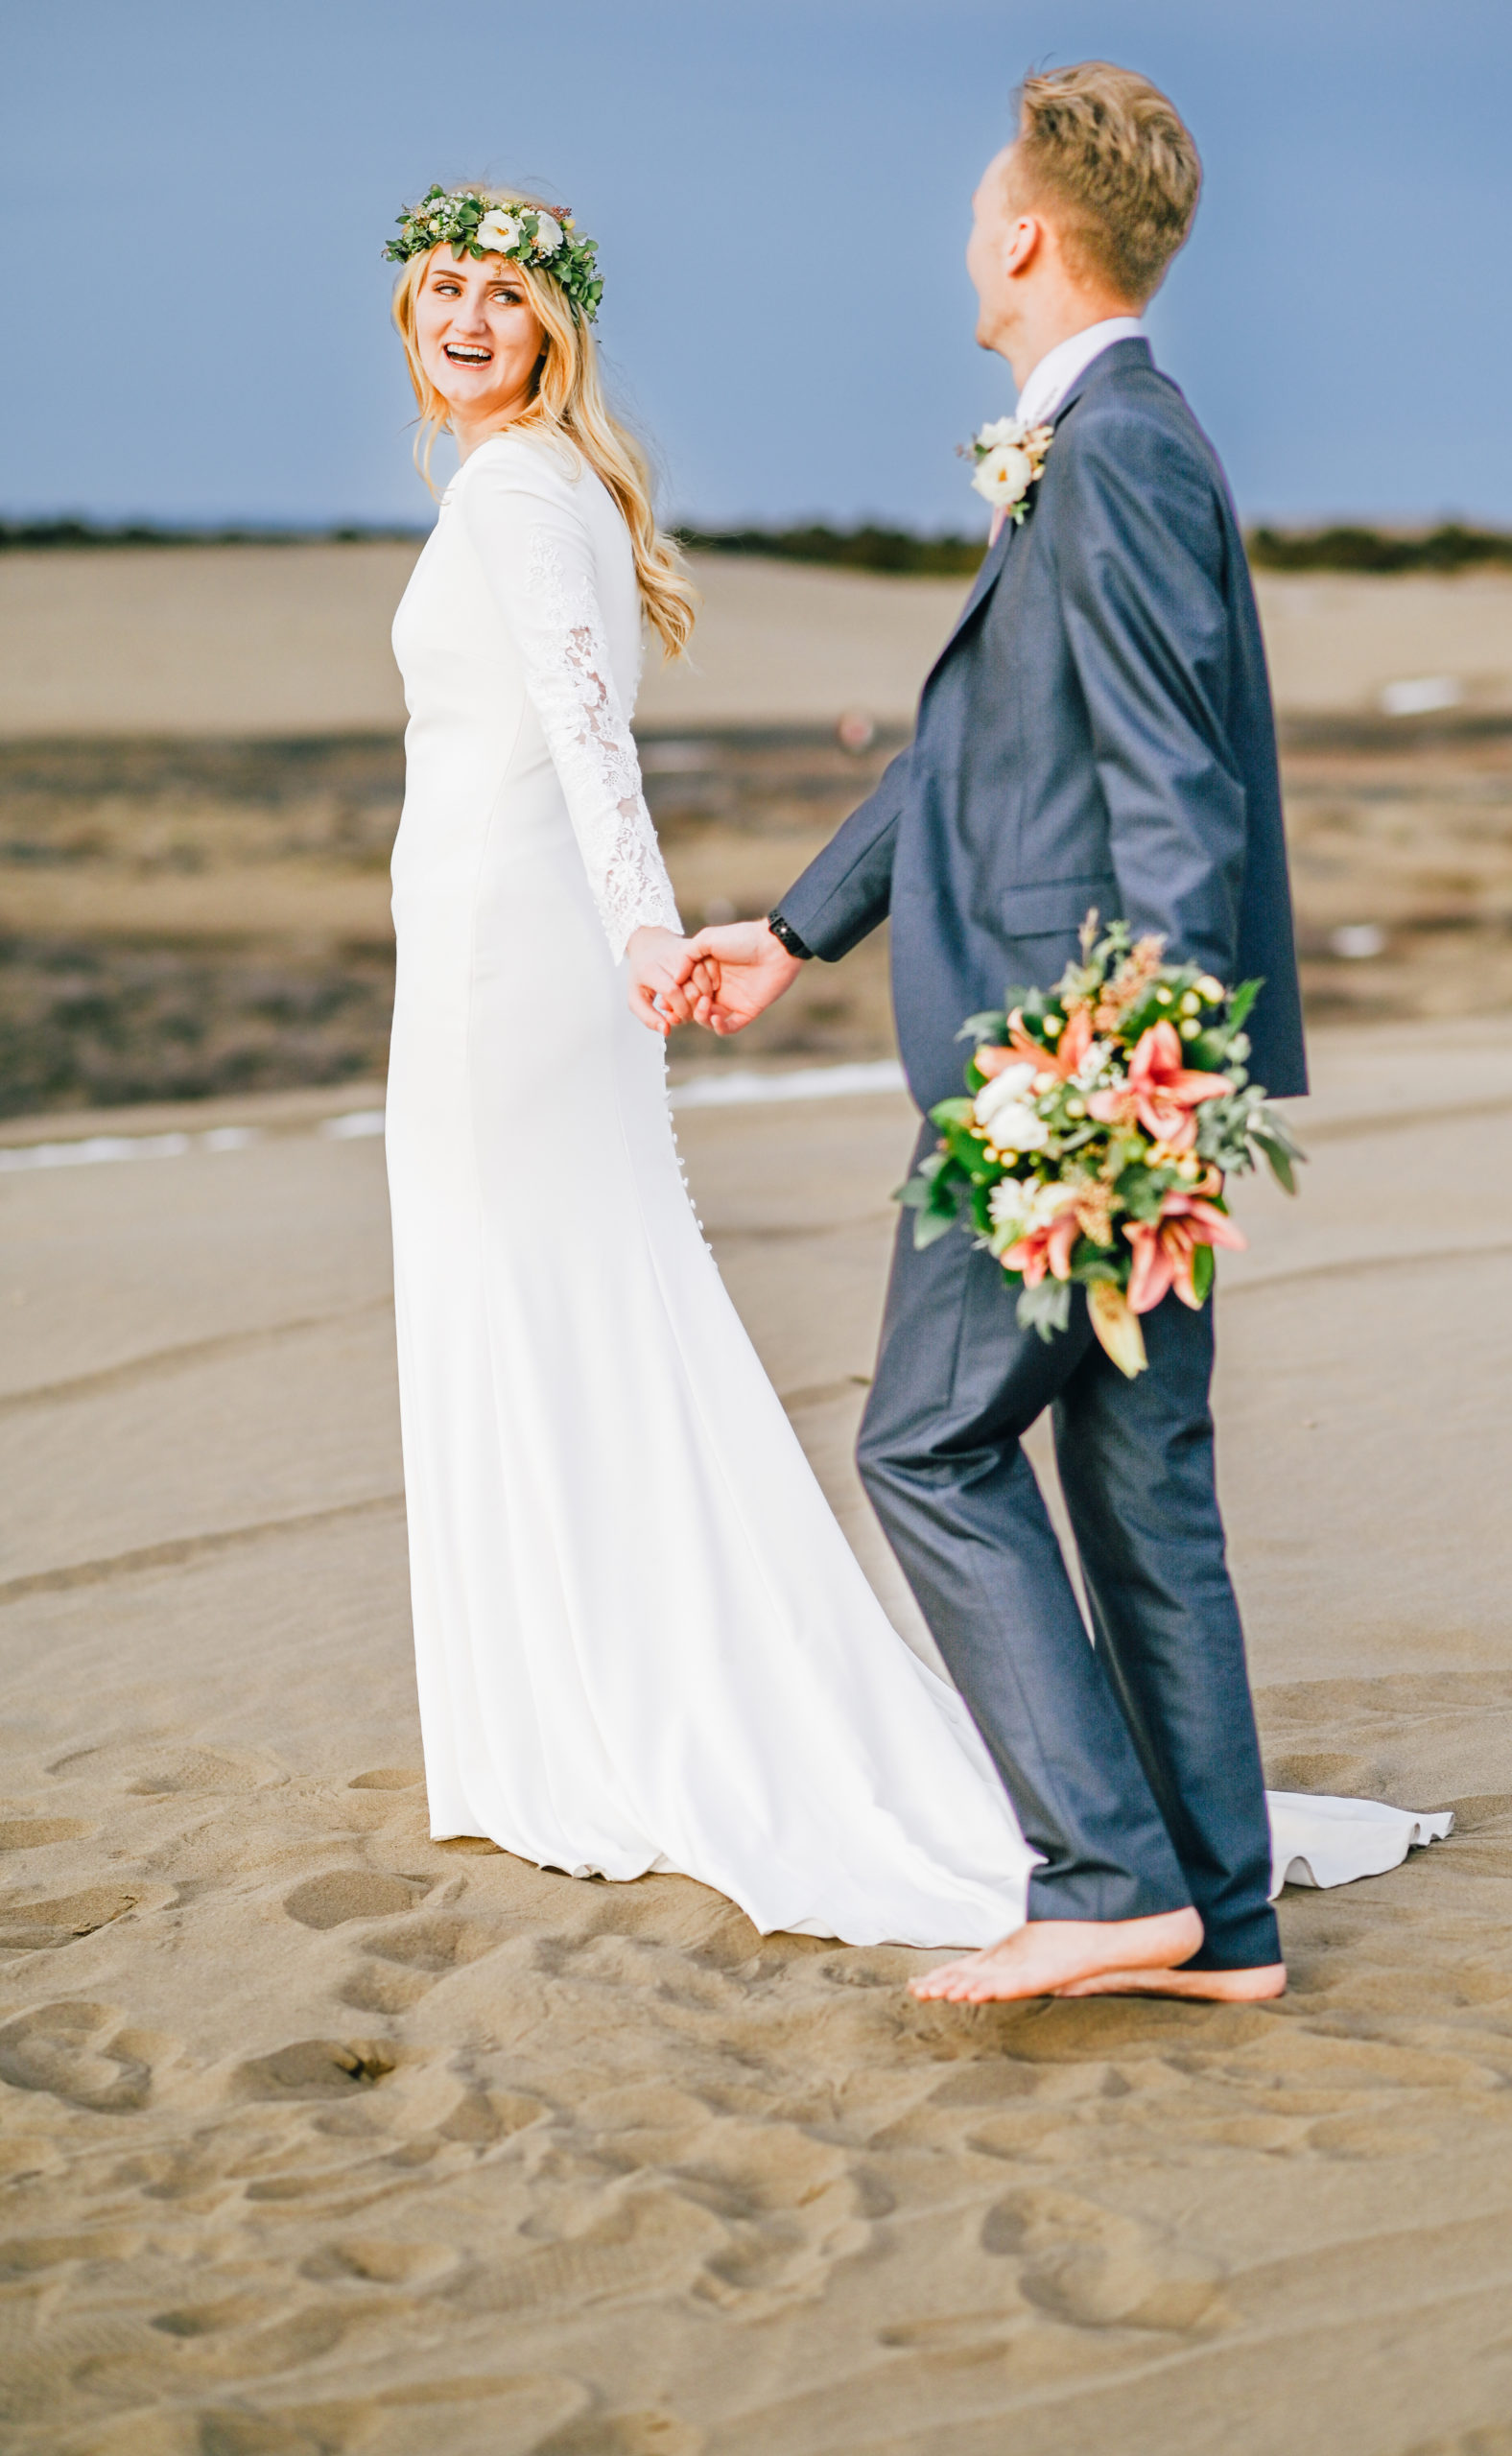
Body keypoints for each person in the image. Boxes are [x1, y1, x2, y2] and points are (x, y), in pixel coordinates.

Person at [680, 64, 1311, 2004]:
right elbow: (982, 754)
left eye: (978, 211)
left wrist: (1131, 1087)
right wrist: (797, 927)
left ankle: (1107, 1867)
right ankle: (1224, 1913)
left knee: (927, 1443)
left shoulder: (1110, 450)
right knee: (1140, 1476)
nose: (967, 239)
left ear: (1030, 233)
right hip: (1127, 1059)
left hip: (1070, 1068)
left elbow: (1173, 786)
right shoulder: (1119, 433)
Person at [381, 178, 1043, 1948]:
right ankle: (558, 1703)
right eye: (444, 285)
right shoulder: (541, 485)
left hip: (509, 972)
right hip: (491, 959)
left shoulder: (525, 488)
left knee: (534, 1303)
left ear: (554, 329)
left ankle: (571, 1723)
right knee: (558, 1302)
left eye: (504, 296)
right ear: (409, 309)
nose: (467, 318)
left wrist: (644, 929)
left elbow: (590, 732)